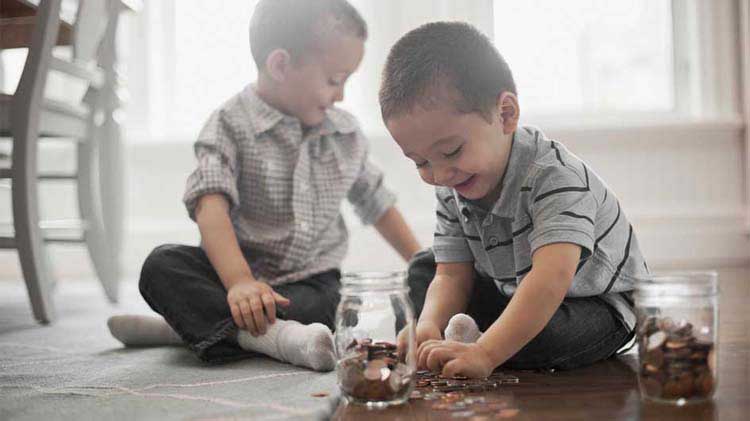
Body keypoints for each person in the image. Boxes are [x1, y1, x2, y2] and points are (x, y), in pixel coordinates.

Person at [108, 0, 421, 372]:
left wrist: (423, 264)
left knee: (332, 305)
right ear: (280, 65)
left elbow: (377, 203)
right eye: (334, 81)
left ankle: (190, 326)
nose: (340, 95)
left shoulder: (345, 134)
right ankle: (278, 338)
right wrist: (239, 281)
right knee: (161, 265)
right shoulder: (228, 124)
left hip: (308, 286)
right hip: (231, 276)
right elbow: (210, 204)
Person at [380, 22, 649, 378]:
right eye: (421, 162)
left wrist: (487, 355)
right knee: (422, 269)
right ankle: (455, 337)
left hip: (593, 305)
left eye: (452, 151)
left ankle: (487, 341)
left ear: (505, 115)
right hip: (513, 287)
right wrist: (429, 322)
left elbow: (551, 280)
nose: (440, 175)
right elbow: (451, 274)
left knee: (547, 334)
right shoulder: (452, 182)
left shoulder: (555, 177)